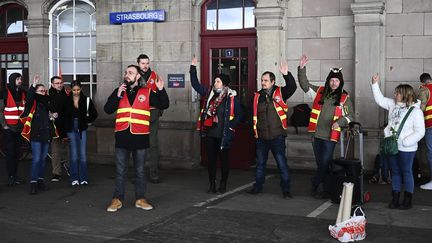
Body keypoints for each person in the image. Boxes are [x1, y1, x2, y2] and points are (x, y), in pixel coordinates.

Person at [104, 65, 169, 212]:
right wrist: (117, 95)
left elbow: (165, 104)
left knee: (140, 170)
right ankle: (117, 199)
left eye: (131, 73)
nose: (127, 75)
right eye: (126, 72)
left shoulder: (147, 92)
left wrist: (161, 89)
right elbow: (107, 109)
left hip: (140, 137)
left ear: (138, 76)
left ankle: (140, 198)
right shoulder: (118, 91)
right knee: (120, 170)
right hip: (122, 136)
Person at [297, 54, 354, 199]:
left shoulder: (344, 98)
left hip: (330, 136)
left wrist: (339, 122)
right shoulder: (319, 92)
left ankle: (316, 183)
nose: (334, 83)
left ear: (340, 82)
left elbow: (351, 116)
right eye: (332, 80)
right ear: (328, 81)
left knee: (325, 162)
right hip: (316, 134)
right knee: (321, 163)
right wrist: (302, 69)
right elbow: (305, 85)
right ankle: (325, 189)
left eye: (337, 80)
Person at [190, 56, 243, 194]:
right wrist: (193, 69)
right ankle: (212, 184)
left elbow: (240, 115)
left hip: (223, 135)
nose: (215, 83)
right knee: (211, 161)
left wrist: (231, 124)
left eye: (217, 81)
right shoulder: (209, 94)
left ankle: (223, 184)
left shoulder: (231, 97)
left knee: (224, 161)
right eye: (215, 81)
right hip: (210, 134)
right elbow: (195, 85)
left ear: (224, 84)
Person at [371, 74, 425, 209]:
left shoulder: (415, 111)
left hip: (407, 148)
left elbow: (420, 131)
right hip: (392, 145)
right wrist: (374, 84)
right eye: (395, 93)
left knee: (406, 172)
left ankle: (407, 199)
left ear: (406, 95)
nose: (394, 95)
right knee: (394, 172)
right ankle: (395, 198)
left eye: (397, 93)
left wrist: (406, 142)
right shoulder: (392, 105)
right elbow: (380, 99)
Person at [248, 60, 297, 199]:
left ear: (272, 81)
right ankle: (257, 187)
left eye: (266, 80)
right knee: (260, 165)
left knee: (282, 165)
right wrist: (255, 132)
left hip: (277, 137)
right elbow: (251, 114)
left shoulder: (281, 92)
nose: (263, 83)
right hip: (261, 138)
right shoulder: (257, 96)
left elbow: (292, 87)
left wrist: (287, 75)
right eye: (262, 80)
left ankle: (286, 190)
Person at [20, 74, 59, 194]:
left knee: (42, 159)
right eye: (41, 91)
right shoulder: (33, 102)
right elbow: (30, 97)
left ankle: (40, 180)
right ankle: (33, 182)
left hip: (46, 133)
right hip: (36, 134)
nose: (43, 93)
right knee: (36, 159)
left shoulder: (47, 103)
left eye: (44, 91)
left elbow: (48, 117)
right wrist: (34, 84)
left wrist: (52, 116)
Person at [63, 80, 97, 186]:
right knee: (73, 154)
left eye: (78, 89)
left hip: (82, 128)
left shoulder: (86, 100)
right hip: (70, 127)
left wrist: (87, 121)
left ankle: (83, 177)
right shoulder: (67, 100)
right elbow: (62, 116)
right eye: (74, 90)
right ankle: (74, 177)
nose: (76, 92)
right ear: (71, 90)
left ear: (81, 89)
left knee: (82, 154)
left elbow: (94, 114)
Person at [137, 54, 164, 184]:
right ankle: (139, 174)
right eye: (143, 63)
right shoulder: (134, 75)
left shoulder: (155, 76)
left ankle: (154, 173)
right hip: (138, 114)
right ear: (138, 64)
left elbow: (161, 92)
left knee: (152, 144)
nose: (145, 65)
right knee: (138, 144)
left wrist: (159, 110)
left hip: (153, 113)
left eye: (147, 63)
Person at [0, 73, 26, 186]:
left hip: (19, 128)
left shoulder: (22, 92)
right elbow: (0, 111)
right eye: (17, 79)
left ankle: (15, 176)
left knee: (17, 153)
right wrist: (4, 125)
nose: (20, 80)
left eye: (20, 79)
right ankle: (11, 176)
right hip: (9, 129)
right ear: (12, 80)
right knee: (10, 153)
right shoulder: (4, 93)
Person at [48, 76, 69, 182]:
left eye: (61, 82)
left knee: (68, 149)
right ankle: (56, 173)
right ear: (52, 84)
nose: (59, 85)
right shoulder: (47, 95)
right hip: (54, 127)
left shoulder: (66, 94)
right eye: (57, 83)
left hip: (66, 126)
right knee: (55, 152)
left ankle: (68, 166)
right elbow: (43, 108)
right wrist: (50, 115)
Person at [418, 73, 432, 190]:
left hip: (430, 125)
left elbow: (420, 109)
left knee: (431, 153)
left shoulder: (424, 90)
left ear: (422, 82)